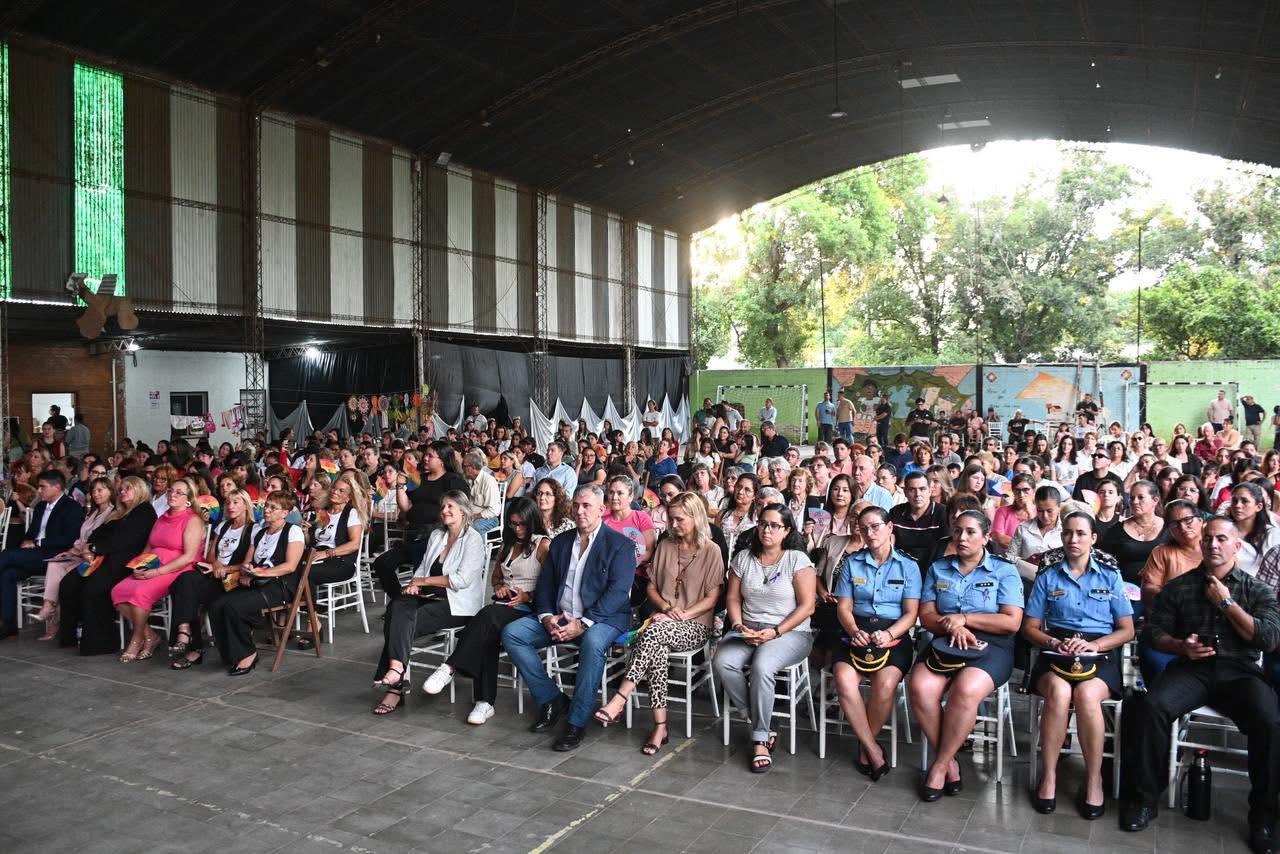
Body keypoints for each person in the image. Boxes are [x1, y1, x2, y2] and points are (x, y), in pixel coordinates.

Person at [1117, 518, 1280, 850]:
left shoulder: (1257, 590)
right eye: (1208, 538)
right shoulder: (1179, 587)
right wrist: (1180, 646)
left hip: (1239, 671)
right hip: (1192, 669)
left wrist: (1226, 603)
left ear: (1237, 546)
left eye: (1222, 538)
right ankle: (1145, 799)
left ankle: (1263, 817)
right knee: (1150, 707)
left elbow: (1268, 639)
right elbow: (1154, 633)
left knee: (1271, 722)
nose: (1213, 544)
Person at [501, 484, 637, 751]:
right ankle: (552, 698)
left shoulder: (620, 545)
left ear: (602, 509)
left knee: (592, 643)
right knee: (513, 634)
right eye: (576, 505)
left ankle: (576, 722)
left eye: (586, 506)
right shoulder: (562, 542)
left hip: (603, 618)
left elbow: (618, 593)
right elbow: (547, 585)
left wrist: (583, 623)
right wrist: (547, 616)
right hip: (562, 615)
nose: (579, 511)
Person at [593, 492, 725, 755]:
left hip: (696, 624)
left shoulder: (712, 550)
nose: (672, 525)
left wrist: (682, 614)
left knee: (652, 633)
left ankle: (619, 699)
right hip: (662, 620)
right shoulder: (666, 545)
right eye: (670, 519)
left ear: (695, 518)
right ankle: (660, 726)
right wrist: (666, 608)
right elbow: (652, 588)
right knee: (656, 648)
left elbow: (712, 598)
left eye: (679, 520)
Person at [1022, 512, 1135, 818]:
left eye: (1081, 534)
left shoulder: (1110, 576)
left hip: (1099, 650)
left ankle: (1094, 777)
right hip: (1056, 650)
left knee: (1086, 695)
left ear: (1093, 539)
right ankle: (1049, 774)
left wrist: (1094, 645)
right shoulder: (1048, 576)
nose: (1074, 539)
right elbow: (1030, 628)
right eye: (1068, 533)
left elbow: (1127, 629)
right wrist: (1054, 643)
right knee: (1059, 693)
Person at [912, 510, 1024, 801]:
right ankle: (950, 762)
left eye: (971, 532)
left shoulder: (1004, 570)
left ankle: (939, 766)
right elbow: (926, 616)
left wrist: (964, 618)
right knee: (920, 687)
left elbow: (1011, 621)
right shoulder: (939, 568)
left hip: (992, 646)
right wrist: (951, 623)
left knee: (965, 689)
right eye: (958, 531)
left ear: (986, 537)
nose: (962, 537)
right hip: (945, 640)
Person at [421, 498, 549, 724]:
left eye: (522, 524)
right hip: (505, 604)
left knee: (486, 618)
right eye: (513, 524)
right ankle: (484, 702)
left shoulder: (542, 545)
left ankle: (450, 666)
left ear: (532, 522)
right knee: (487, 631)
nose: (517, 529)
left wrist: (527, 595)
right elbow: (496, 577)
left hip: (530, 606)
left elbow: (552, 585)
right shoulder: (508, 544)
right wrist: (500, 588)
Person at [713, 503, 816, 773]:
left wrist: (776, 631)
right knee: (723, 661)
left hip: (790, 631)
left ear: (787, 530)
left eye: (774, 525)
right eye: (762, 523)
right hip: (749, 627)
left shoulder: (797, 559)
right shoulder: (744, 558)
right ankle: (760, 719)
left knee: (763, 665)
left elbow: (807, 606)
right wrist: (738, 625)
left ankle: (759, 738)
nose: (766, 530)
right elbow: (733, 598)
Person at [371, 491, 486, 714]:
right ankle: (397, 669)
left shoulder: (473, 539)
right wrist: (416, 584)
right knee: (397, 606)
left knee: (401, 620)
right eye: (442, 506)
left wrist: (423, 580)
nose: (444, 511)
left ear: (463, 510)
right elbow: (423, 568)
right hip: (430, 596)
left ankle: (395, 684)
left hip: (457, 604)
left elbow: (460, 581)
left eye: (450, 506)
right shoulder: (436, 535)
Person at [831, 506, 921, 780]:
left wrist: (891, 633)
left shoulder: (908, 565)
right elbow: (843, 607)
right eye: (864, 528)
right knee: (844, 680)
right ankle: (871, 747)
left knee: (884, 684)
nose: (870, 533)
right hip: (855, 630)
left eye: (875, 527)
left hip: (893, 634)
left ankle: (864, 747)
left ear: (889, 527)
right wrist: (854, 630)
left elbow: (911, 613)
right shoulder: (852, 563)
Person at [207, 490, 306, 675]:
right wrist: (247, 571)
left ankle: (248, 653)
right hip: (257, 583)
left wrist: (262, 573)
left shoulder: (293, 531)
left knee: (234, 607)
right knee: (216, 605)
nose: (266, 510)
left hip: (280, 585)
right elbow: (248, 562)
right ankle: (231, 653)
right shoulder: (260, 533)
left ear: (284, 513)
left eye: (272, 508)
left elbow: (290, 566)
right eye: (266, 506)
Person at [111, 477, 207, 661]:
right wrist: (139, 567)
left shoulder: (192, 520)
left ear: (188, 498)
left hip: (178, 568)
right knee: (118, 591)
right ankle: (149, 635)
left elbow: (188, 556)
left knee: (139, 593)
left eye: (179, 492)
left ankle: (137, 638)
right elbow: (149, 547)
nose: (173, 494)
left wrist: (157, 572)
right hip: (154, 563)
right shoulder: (162, 518)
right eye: (171, 490)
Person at [168, 488, 258, 669]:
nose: (231, 506)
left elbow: (248, 564)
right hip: (214, 574)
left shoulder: (253, 529)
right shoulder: (224, 525)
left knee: (188, 591)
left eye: (236, 502)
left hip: (233, 580)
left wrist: (225, 568)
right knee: (184, 581)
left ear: (245, 505)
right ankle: (184, 630)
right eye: (228, 502)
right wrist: (216, 565)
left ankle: (192, 647)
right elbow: (210, 554)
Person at [371, 440, 468, 599]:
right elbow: (406, 507)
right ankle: (399, 600)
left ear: (442, 460)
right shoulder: (418, 478)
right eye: (425, 455)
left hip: (437, 538)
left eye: (431, 456)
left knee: (420, 568)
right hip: (413, 536)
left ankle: (415, 603)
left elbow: (460, 510)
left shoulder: (453, 480)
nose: (425, 459)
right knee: (382, 563)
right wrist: (400, 487)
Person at [0, 470, 85, 637]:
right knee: (7, 573)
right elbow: (32, 533)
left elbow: (69, 539)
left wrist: (38, 542)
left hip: (56, 557)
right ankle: (8, 625)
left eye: (42, 487)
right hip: (35, 555)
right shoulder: (40, 506)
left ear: (57, 487)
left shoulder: (71, 507)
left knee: (7, 555)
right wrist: (27, 541)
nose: (38, 491)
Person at [31, 476, 114, 641]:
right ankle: (48, 606)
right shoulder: (93, 512)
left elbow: (99, 542)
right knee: (55, 564)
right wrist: (70, 551)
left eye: (100, 490)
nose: (96, 494)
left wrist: (79, 551)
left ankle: (53, 621)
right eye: (94, 490)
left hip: (95, 559)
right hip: (79, 554)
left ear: (110, 492)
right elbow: (81, 539)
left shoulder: (112, 513)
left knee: (65, 580)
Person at [1101, 481, 1168, 587]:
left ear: (1155, 500)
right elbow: (1104, 563)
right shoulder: (1116, 530)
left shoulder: (1169, 528)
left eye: (1141, 497)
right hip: (1125, 589)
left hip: (1162, 589)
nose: (1135, 502)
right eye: (1132, 498)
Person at [888, 471, 949, 573]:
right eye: (912, 490)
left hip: (933, 570)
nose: (917, 494)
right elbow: (889, 546)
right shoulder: (896, 512)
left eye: (922, 489)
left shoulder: (942, 513)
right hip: (901, 569)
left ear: (930, 491)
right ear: (905, 492)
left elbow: (945, 549)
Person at [1231, 481, 1280, 577]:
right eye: (1234, 500)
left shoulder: (1272, 535)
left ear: (1259, 506)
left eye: (1244, 501)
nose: (1238, 505)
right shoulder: (1224, 531)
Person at [462, 449, 502, 534]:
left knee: (472, 528)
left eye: (464, 466)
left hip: (489, 518)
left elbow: (493, 510)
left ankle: (481, 547)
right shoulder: (469, 480)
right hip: (473, 515)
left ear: (472, 467)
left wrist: (474, 516)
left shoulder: (488, 481)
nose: (462, 468)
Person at [719, 473, 758, 555]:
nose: (740, 492)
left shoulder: (757, 518)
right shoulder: (722, 515)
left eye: (747, 490)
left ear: (754, 495)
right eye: (738, 487)